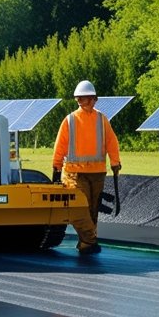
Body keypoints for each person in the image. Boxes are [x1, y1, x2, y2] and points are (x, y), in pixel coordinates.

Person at [51, 80, 121, 256]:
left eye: (89, 99)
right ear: (78, 100)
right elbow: (60, 145)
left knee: (92, 211)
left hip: (97, 173)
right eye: (83, 99)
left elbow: (111, 141)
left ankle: (85, 244)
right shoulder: (70, 120)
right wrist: (56, 167)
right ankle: (90, 240)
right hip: (74, 173)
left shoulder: (101, 119)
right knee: (79, 208)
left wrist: (115, 162)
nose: (86, 102)